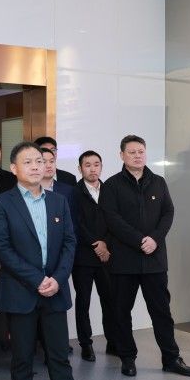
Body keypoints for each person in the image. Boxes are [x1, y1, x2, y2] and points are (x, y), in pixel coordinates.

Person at [0, 142, 102, 380]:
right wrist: (37, 279)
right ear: (14, 168)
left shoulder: (58, 201)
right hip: (21, 292)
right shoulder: (2, 204)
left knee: (59, 357)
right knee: (22, 358)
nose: (36, 166)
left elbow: (69, 242)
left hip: (54, 291)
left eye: (39, 161)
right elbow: (3, 248)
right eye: (28, 162)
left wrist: (58, 278)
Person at [101, 135, 190, 378]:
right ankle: (127, 358)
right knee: (121, 312)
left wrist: (154, 238)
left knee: (161, 312)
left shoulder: (158, 182)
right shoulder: (112, 185)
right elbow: (112, 219)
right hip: (124, 261)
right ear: (122, 155)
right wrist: (138, 240)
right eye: (132, 152)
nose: (137, 156)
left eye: (141, 151)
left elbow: (168, 212)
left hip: (154, 260)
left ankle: (171, 358)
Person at [71, 150, 116, 362]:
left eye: (96, 164)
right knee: (83, 302)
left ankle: (113, 341)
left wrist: (105, 243)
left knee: (111, 300)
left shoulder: (110, 191)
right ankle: (86, 344)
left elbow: (115, 220)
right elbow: (76, 223)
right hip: (83, 257)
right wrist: (96, 243)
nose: (92, 169)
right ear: (80, 169)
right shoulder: (74, 192)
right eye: (87, 165)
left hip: (107, 256)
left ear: (101, 167)